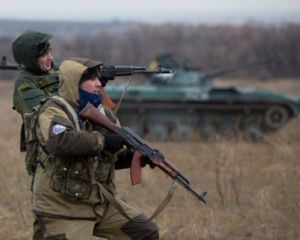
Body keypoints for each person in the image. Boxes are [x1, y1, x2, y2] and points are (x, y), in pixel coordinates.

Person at [32, 57, 159, 240]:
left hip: (100, 204)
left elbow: (112, 155)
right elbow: (60, 142)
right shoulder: (54, 110)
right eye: (92, 79)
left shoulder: (103, 112)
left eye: (98, 78)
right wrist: (103, 140)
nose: (99, 83)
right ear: (74, 83)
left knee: (146, 232)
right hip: (63, 207)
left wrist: (133, 157)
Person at [12, 29, 59, 240]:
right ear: (31, 58)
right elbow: (46, 113)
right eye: (43, 54)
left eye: (49, 51)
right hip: (44, 160)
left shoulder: (53, 73)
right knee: (46, 222)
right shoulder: (25, 85)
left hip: (65, 153)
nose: (50, 58)